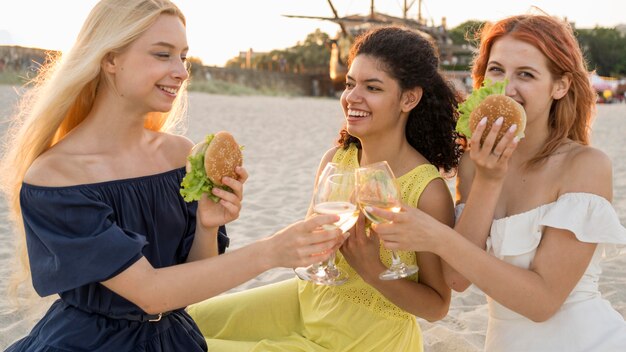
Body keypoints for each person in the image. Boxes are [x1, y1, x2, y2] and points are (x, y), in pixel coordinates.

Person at [0, 1, 341, 350]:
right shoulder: (56, 177)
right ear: (110, 59)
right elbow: (150, 294)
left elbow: (193, 281)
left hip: (176, 339)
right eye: (163, 55)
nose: (181, 71)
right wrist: (271, 252)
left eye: (183, 56)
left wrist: (207, 226)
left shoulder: (180, 154)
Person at [186, 26, 461, 351]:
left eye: (372, 87)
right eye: (350, 84)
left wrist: (372, 268)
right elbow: (313, 251)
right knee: (184, 323)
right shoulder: (337, 160)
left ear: (409, 98)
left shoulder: (428, 191)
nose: (352, 97)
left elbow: (437, 306)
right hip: (309, 300)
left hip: (364, 339)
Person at [368, 14, 626, 351]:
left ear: (560, 86)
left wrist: (436, 236)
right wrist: (489, 180)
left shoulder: (585, 166)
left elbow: (542, 302)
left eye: (526, 74)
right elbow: (457, 279)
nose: (507, 86)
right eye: (496, 70)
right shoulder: (473, 163)